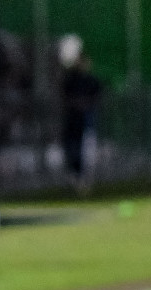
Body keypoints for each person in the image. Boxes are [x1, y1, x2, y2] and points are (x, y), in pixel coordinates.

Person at [61, 53, 101, 193]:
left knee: (87, 152)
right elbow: (66, 97)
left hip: (87, 123)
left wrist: (87, 105)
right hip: (73, 123)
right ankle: (75, 177)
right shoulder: (71, 79)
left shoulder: (91, 80)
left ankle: (85, 180)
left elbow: (97, 97)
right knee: (73, 150)